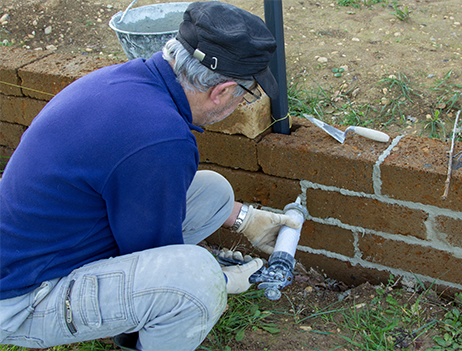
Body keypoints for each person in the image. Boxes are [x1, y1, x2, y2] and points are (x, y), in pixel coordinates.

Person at [0, 2, 300, 350]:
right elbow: (159, 257)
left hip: (33, 249)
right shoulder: (161, 139)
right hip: (22, 297)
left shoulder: (131, 81)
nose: (240, 104)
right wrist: (220, 277)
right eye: (245, 94)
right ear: (220, 91)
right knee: (194, 284)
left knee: (213, 191)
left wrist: (246, 219)